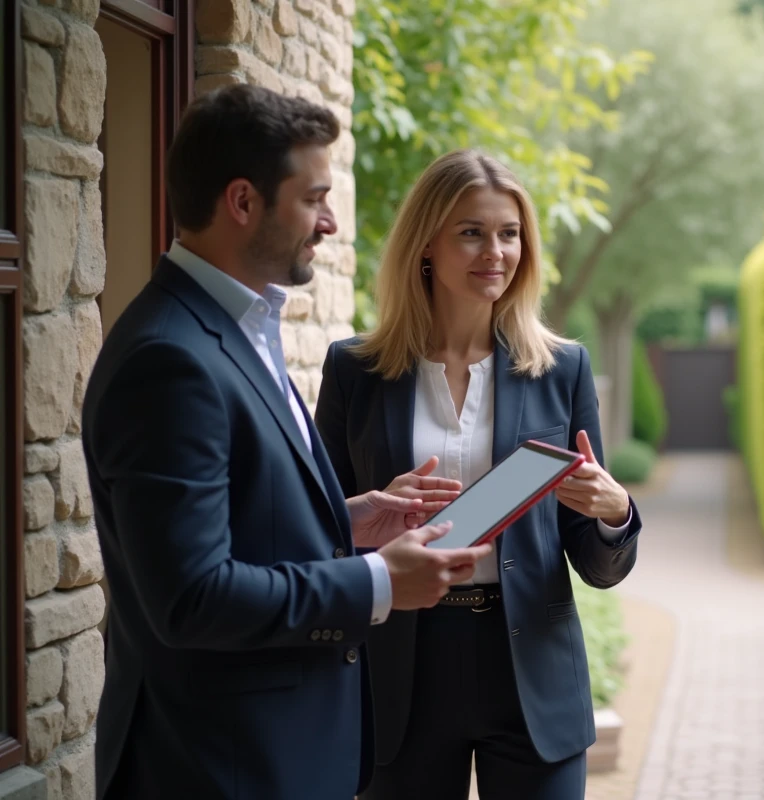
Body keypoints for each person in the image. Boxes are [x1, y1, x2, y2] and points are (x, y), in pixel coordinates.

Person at [81, 85, 491, 800]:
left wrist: (348, 520)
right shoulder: (168, 360)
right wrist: (377, 582)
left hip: (275, 755)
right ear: (243, 202)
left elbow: (242, 516)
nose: (331, 222)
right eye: (315, 197)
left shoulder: (242, 324)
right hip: (220, 767)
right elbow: (192, 597)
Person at [314, 148, 643, 800]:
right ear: (427, 244)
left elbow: (596, 565)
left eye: (509, 233)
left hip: (530, 673)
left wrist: (612, 512)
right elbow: (315, 530)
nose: (495, 250)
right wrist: (368, 514)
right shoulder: (355, 370)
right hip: (402, 669)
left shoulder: (563, 370)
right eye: (471, 231)